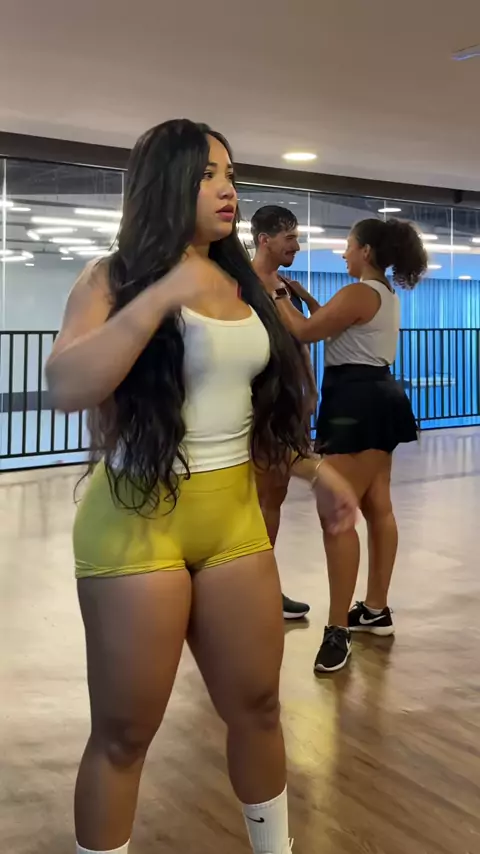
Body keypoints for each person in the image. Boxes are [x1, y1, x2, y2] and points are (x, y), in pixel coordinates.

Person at [46, 119, 357, 854]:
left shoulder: (242, 282)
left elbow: (247, 410)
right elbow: (65, 386)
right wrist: (157, 299)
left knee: (258, 706)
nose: (227, 190)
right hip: (136, 519)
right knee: (125, 733)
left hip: (233, 521)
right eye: (207, 174)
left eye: (231, 175)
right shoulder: (111, 277)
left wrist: (316, 470)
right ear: (166, 184)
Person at [273, 217, 427, 673]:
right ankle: (375, 609)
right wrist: (306, 300)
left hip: (356, 401)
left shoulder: (360, 292)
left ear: (366, 251)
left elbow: (305, 332)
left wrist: (277, 296)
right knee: (377, 505)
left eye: (348, 246)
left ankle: (337, 628)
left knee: (336, 516)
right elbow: (339, 325)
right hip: (378, 394)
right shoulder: (380, 293)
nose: (343, 254)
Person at [251, 205, 320, 620]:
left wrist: (308, 390)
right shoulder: (241, 283)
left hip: (285, 401)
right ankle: (246, 590)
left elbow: (300, 340)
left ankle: (261, 588)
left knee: (274, 493)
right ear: (265, 240)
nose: (296, 245)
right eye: (289, 237)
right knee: (251, 494)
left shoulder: (284, 286)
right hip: (253, 398)